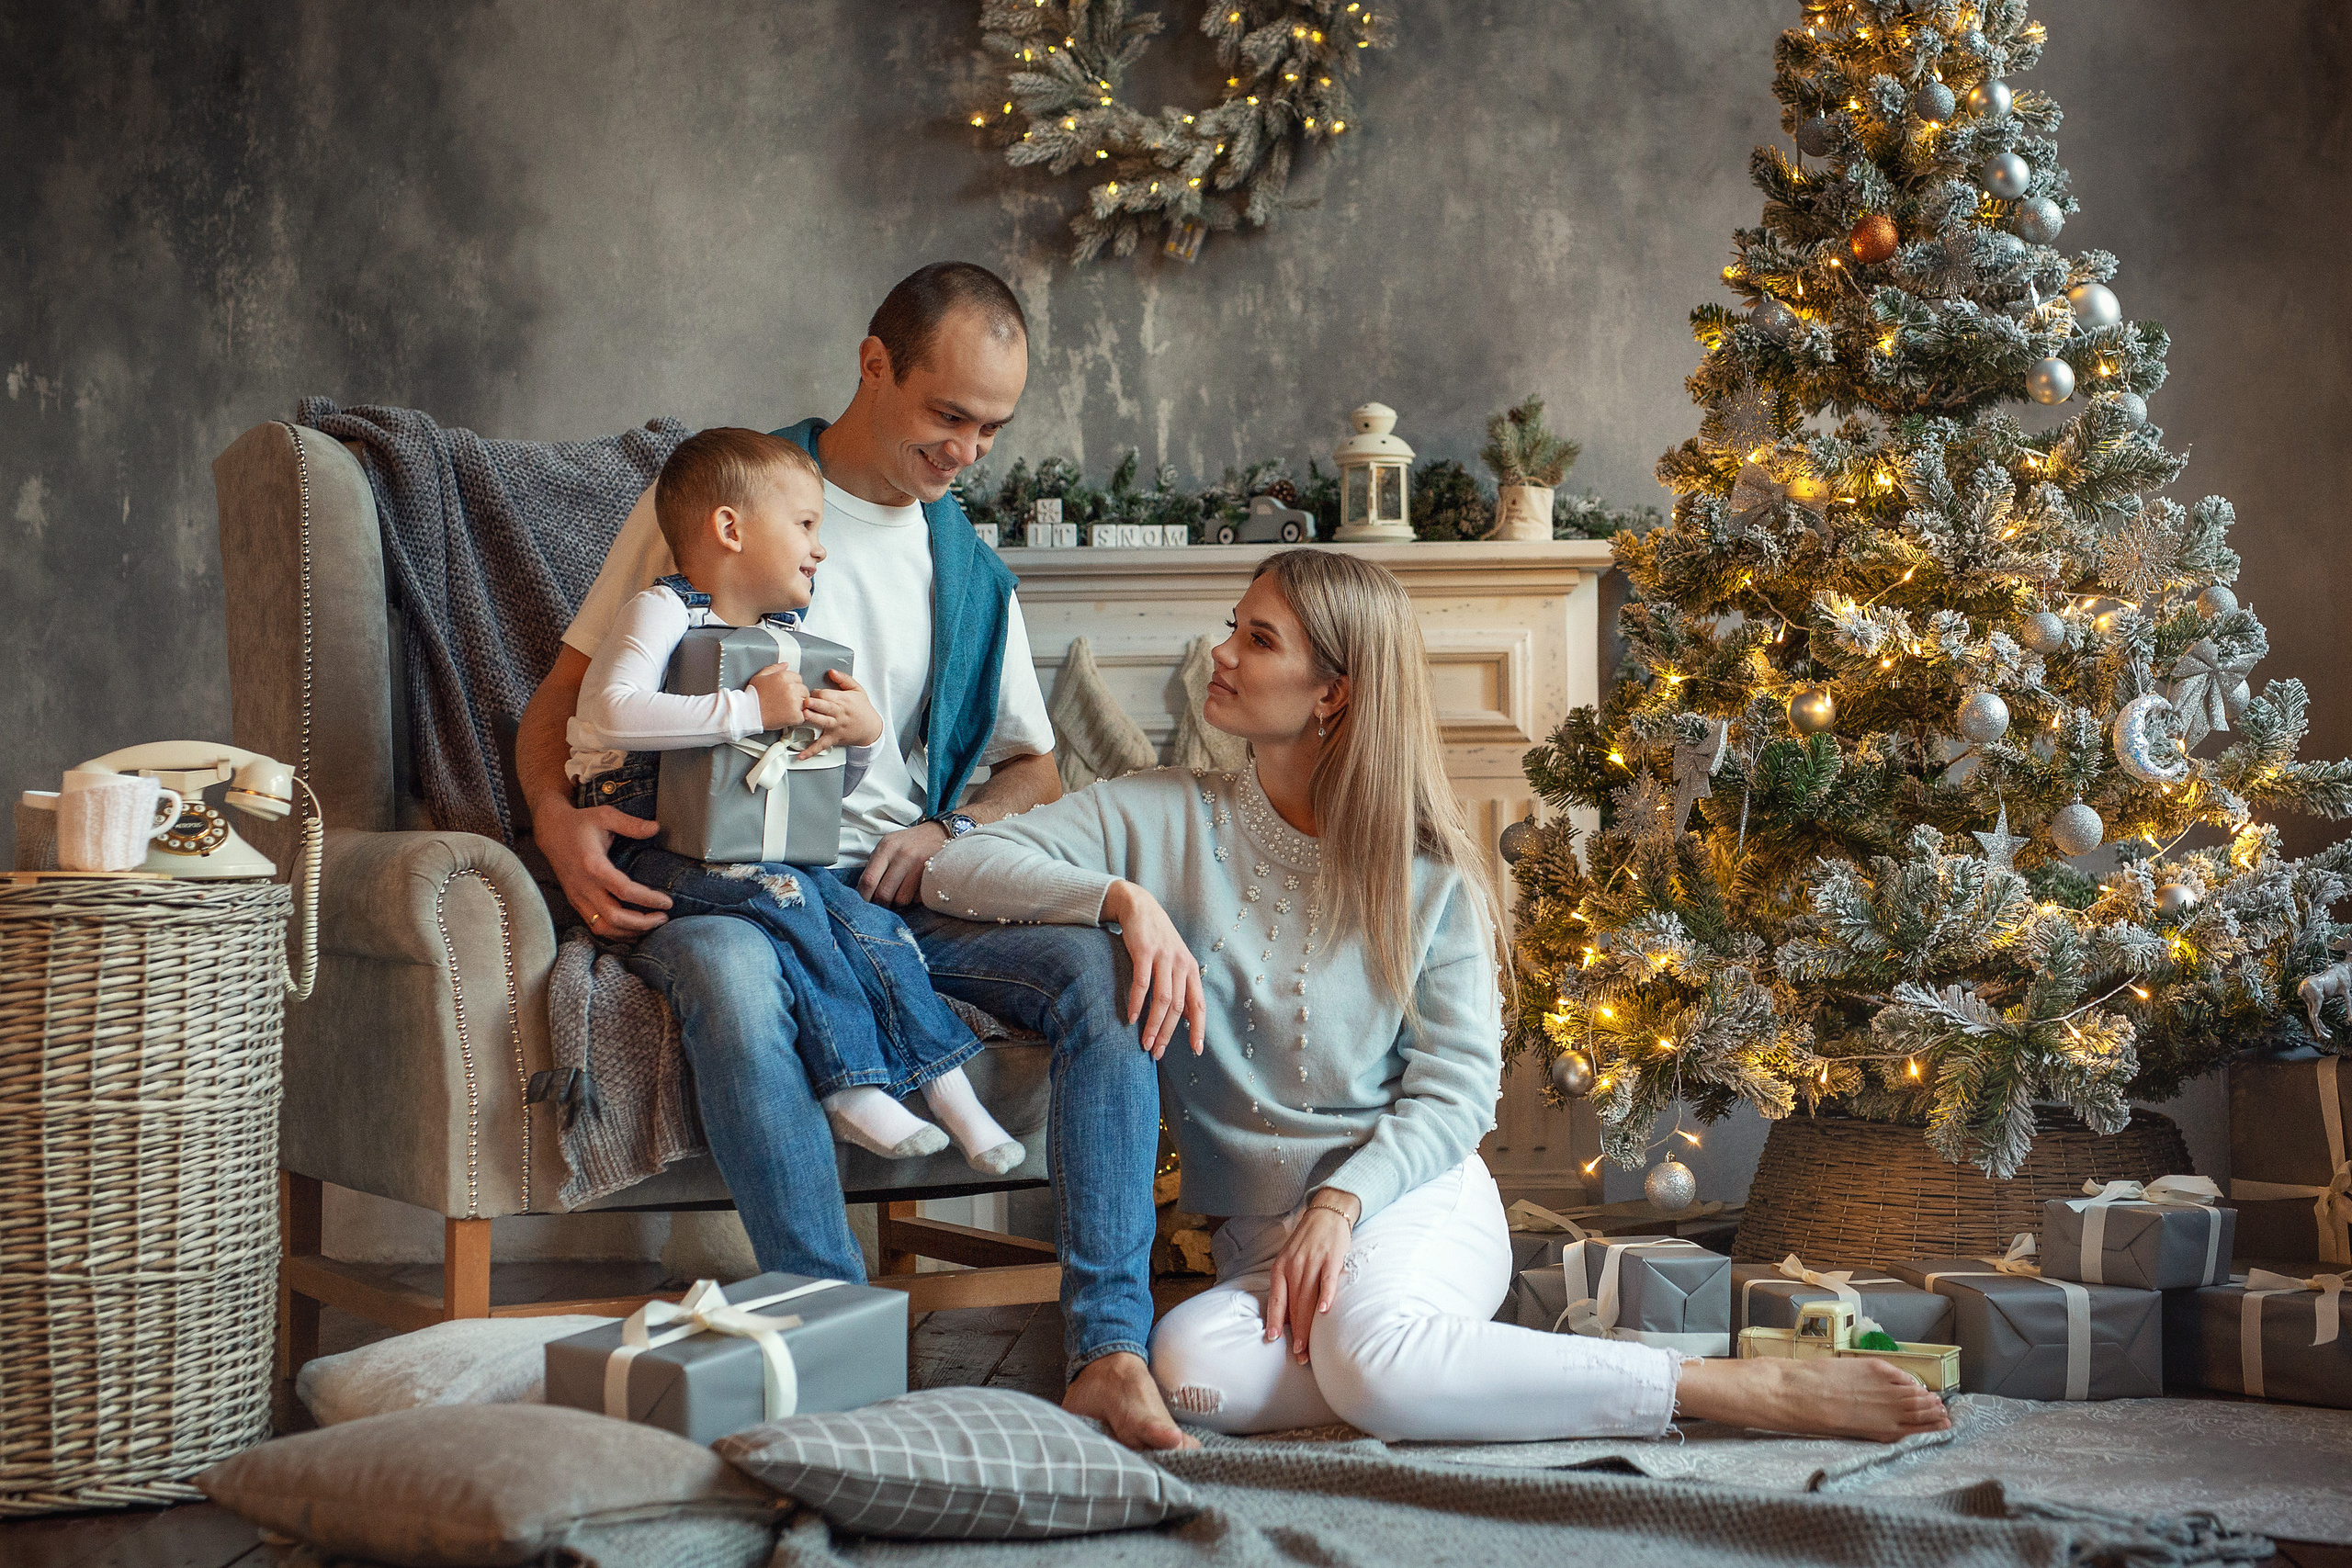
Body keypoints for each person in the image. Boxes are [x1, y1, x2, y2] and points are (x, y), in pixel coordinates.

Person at [922, 549, 1952, 1445]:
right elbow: (951, 872)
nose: (1222, 653)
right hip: (1258, 1248)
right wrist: (1117, 899)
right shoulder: (1151, 818)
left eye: (1259, 639)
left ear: (1333, 693)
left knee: (1371, 1365)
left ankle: (1723, 1389)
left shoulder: (1427, 882)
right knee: (1191, 1371)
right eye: (1232, 626)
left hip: (1406, 1202)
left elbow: (1456, 1093)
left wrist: (1339, 1204)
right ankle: (1427, 1367)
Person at [515, 262, 1193, 1450]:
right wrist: (554, 818)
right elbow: (567, 700)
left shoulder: (970, 569)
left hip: (894, 883)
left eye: (993, 426)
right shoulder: (733, 494)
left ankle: (1109, 1348)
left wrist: (946, 829)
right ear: (874, 364)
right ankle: (832, 1345)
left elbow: (1031, 768)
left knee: (1095, 976)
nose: (968, 448)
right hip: (721, 866)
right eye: (948, 414)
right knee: (734, 970)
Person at [563, 426, 1022, 1172]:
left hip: (749, 851)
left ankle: (953, 1096)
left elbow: (805, 784)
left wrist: (862, 737)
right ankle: (850, 1087)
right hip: (650, 846)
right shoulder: (668, 611)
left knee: (869, 925)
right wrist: (748, 712)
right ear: (730, 529)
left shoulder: (787, 638)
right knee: (790, 900)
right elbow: (609, 709)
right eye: (807, 525)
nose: (822, 546)